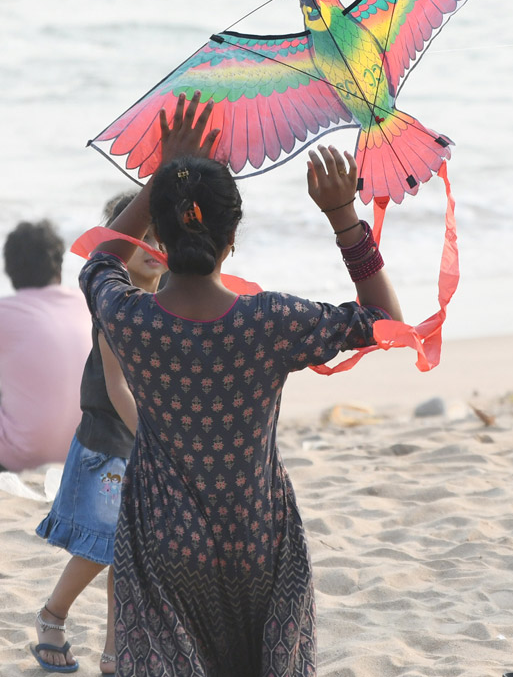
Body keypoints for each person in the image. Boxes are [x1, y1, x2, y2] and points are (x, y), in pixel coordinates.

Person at [79, 92, 403, 675]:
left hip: (161, 539)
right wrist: (342, 218)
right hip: (258, 535)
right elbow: (384, 324)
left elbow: (98, 261)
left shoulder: (132, 319)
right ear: (232, 241)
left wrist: (162, 180)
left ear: (162, 240)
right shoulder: (270, 322)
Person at [31, 193, 165, 674]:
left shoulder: (166, 301)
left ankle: (114, 652)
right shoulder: (116, 300)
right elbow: (117, 384)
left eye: (161, 236)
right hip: (110, 436)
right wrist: (159, 441)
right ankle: (53, 613)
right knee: (101, 545)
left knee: (127, 555)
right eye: (143, 237)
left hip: (144, 438)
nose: (154, 246)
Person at [0, 221, 93, 473]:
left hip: (20, 457)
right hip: (86, 449)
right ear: (59, 268)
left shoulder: (5, 313)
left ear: (10, 270)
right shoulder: (88, 304)